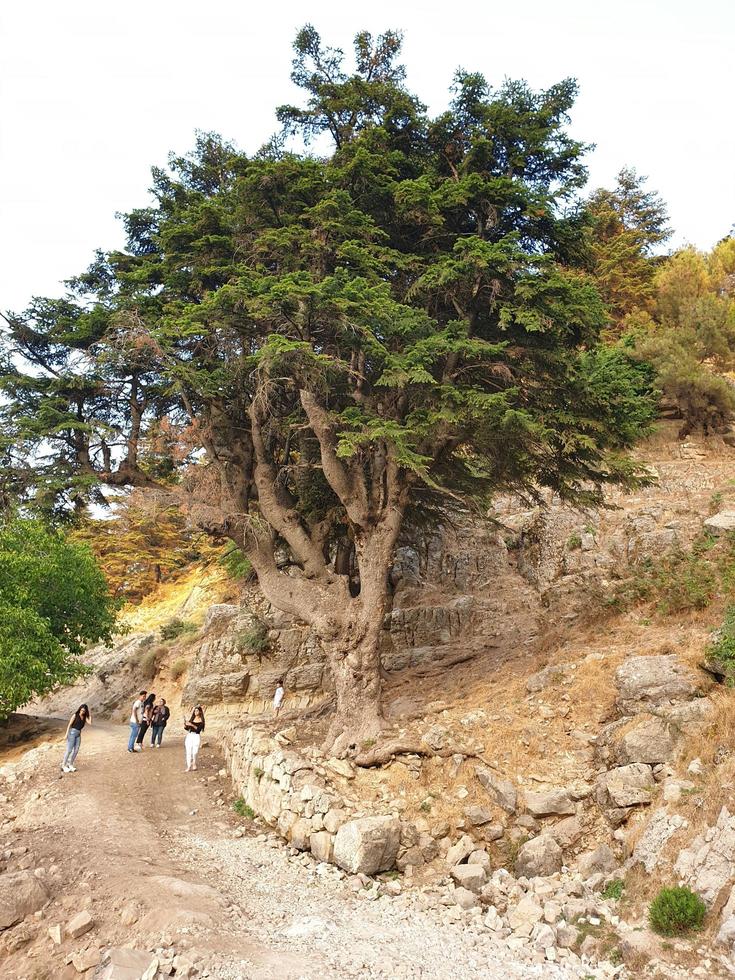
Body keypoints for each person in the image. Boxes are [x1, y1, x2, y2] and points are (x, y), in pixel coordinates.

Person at [62, 704, 91, 772]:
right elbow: (69, 725)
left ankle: (70, 764)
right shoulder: (75, 715)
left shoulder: (84, 717)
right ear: (79, 709)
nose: (82, 712)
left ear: (85, 711)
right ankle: (63, 765)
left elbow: (90, 723)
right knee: (69, 750)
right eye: (81, 710)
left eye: (84, 711)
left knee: (76, 750)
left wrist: (89, 715)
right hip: (72, 733)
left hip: (78, 734)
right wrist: (66, 734)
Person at [183, 705, 205, 772]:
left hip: (196, 736)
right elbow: (187, 728)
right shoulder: (192, 719)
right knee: (188, 751)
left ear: (200, 712)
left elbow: (198, 730)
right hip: (189, 735)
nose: (195, 712)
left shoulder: (201, 721)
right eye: (195, 710)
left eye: (197, 710)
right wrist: (185, 725)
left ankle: (194, 762)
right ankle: (189, 766)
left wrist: (191, 725)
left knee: (195, 752)